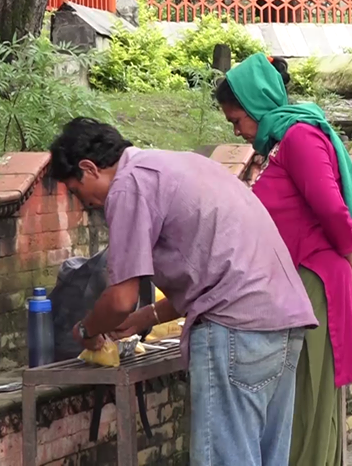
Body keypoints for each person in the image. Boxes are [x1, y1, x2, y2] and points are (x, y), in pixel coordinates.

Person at [49, 117, 318, 466]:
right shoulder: (180, 164)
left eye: (76, 190)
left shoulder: (128, 185)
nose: (84, 202)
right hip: (284, 322)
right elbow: (214, 268)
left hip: (236, 328)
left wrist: (87, 330)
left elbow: (120, 299)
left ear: (89, 167)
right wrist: (147, 317)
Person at [215, 53, 352, 466]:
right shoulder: (281, 141)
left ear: (256, 105)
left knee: (309, 393)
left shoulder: (299, 137)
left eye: (237, 120)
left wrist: (348, 250)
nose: (237, 131)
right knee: (298, 396)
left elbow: (330, 207)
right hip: (297, 281)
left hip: (314, 282)